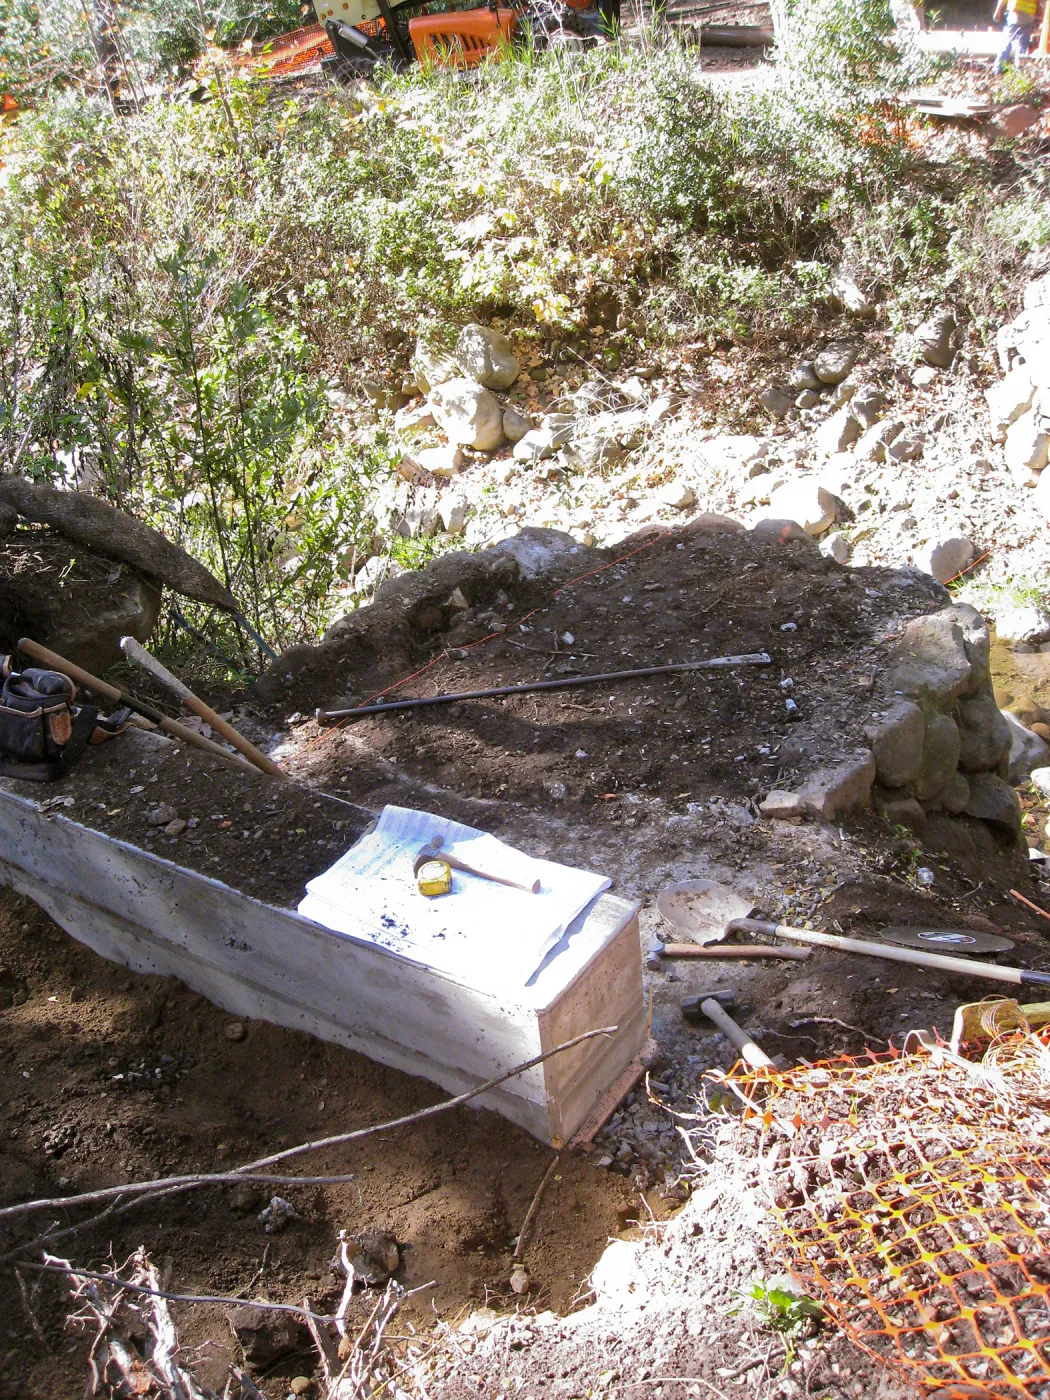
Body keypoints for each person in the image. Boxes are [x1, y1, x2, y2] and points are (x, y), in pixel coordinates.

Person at [992, 0, 1038, 74]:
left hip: (1015, 13)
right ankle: (1019, 70)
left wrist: (997, 11)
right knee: (1022, 46)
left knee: (1007, 42)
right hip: (1029, 15)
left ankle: (998, 69)